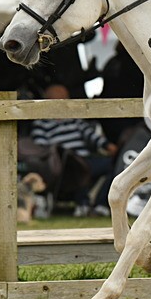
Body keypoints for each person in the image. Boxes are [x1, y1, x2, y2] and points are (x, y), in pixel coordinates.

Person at [30, 84, 118, 216]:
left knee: (115, 164)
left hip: (85, 159)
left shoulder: (74, 120)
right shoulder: (42, 124)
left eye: (66, 99)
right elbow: (41, 148)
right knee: (75, 166)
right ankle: (82, 203)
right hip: (62, 163)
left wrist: (107, 146)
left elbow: (91, 135)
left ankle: (101, 204)